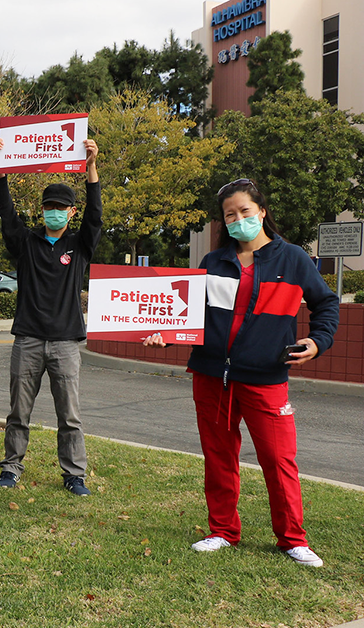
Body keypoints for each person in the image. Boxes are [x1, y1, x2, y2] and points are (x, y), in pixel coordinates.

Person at [145, 178, 338, 567]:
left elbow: (327, 304)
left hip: (266, 377)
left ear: (262, 212)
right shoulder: (213, 262)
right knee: (219, 458)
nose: (237, 220)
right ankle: (223, 532)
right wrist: (165, 334)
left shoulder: (294, 259)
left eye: (244, 212)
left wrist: (318, 342)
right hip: (211, 376)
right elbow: (188, 316)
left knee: (279, 460)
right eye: (229, 215)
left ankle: (292, 539)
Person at [0, 137, 100, 496]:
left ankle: (74, 474)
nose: (55, 211)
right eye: (49, 206)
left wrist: (91, 169)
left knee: (69, 416)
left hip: (66, 342)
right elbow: (7, 215)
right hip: (28, 339)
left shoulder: (80, 245)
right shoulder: (26, 243)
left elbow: (96, 217)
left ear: (71, 212)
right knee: (18, 412)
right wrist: (0, 172)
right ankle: (11, 467)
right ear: (42, 210)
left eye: (61, 207)